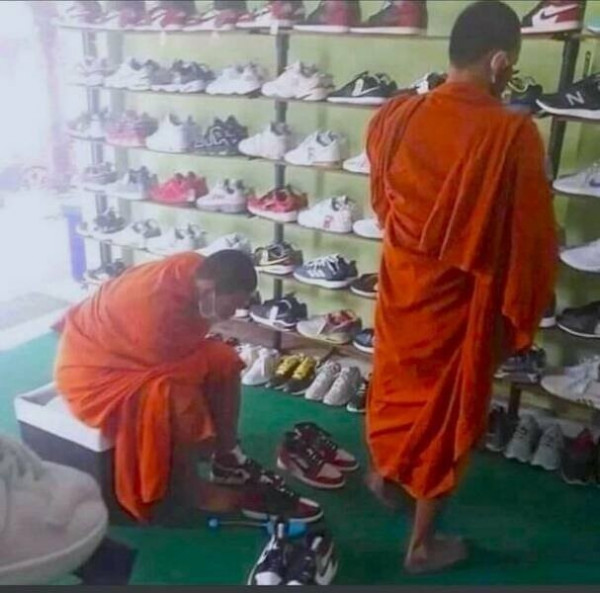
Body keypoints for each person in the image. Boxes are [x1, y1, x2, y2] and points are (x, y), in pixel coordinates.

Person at [366, 0, 557, 575]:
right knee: (446, 413)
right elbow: (530, 239)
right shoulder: (512, 135)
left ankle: (385, 476)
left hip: (402, 287)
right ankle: (422, 546)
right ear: (499, 61)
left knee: (395, 384)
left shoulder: (394, 116)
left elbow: (383, 205)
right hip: (459, 305)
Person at [54, 250, 260, 522]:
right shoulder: (155, 311)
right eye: (231, 306)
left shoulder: (195, 269)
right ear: (210, 290)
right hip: (93, 373)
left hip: (136, 354)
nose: (233, 314)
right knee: (176, 396)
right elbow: (172, 367)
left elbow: (185, 351)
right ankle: (190, 489)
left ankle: (225, 455)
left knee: (225, 360)